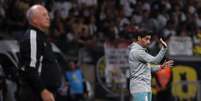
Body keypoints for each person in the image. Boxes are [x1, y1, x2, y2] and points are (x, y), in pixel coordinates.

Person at [18, 4, 62, 101]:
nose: (48, 17)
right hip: (36, 94)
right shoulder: (32, 37)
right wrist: (43, 90)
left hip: (45, 92)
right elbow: (30, 68)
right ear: (34, 20)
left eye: (47, 15)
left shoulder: (41, 36)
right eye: (44, 15)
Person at [128, 31, 173, 101]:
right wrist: (164, 48)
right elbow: (155, 61)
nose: (149, 42)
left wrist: (161, 66)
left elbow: (148, 68)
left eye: (149, 39)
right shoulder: (137, 52)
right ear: (139, 38)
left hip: (145, 87)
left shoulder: (141, 51)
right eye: (146, 39)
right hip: (140, 87)